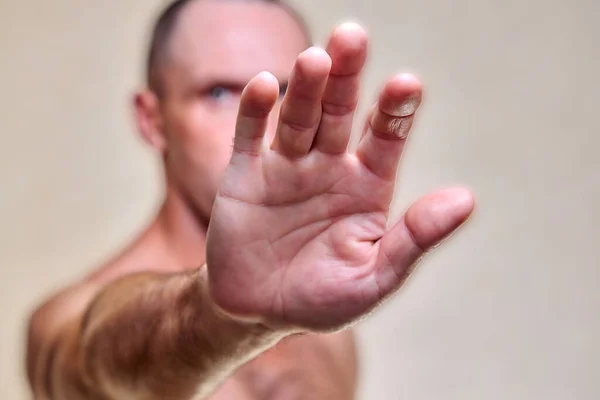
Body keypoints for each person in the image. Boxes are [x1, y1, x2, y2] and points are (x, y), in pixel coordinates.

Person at [25, 0, 475, 398]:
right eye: (219, 93)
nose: (259, 118)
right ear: (152, 119)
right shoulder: (67, 325)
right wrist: (218, 313)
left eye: (286, 89)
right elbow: (100, 363)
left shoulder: (326, 323)